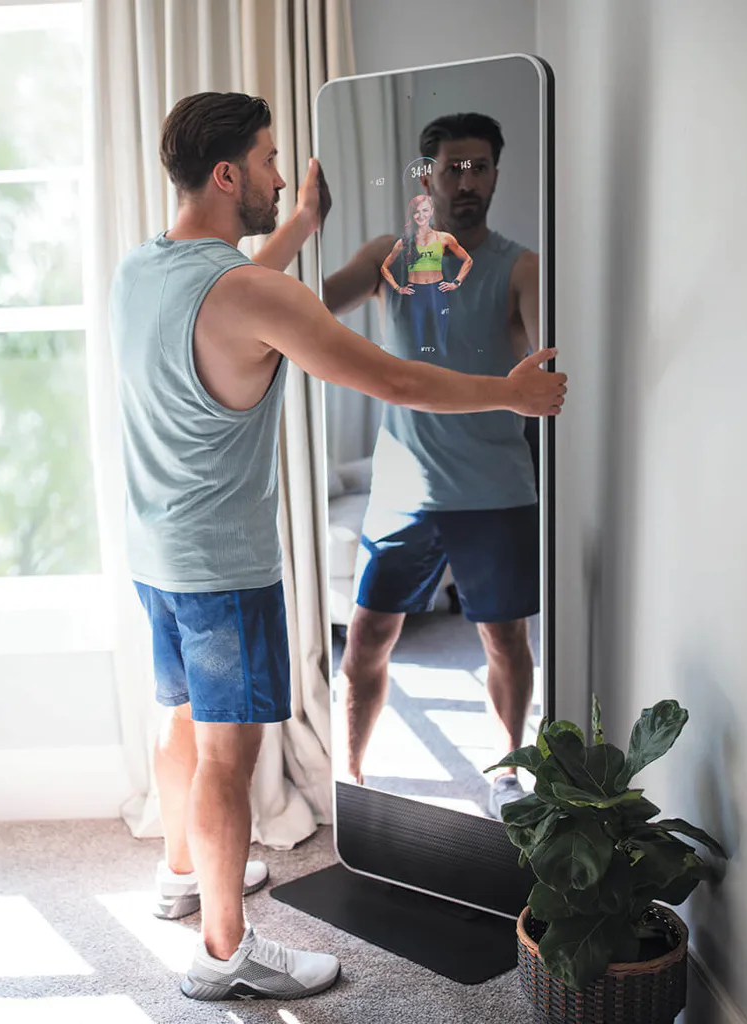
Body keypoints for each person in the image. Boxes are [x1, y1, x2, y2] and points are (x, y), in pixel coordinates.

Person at [111, 94, 565, 1002]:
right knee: (229, 756)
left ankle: (181, 874)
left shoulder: (143, 269)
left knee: (179, 718)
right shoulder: (253, 292)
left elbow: (232, 296)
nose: (282, 178)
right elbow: (393, 378)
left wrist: (301, 229)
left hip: (156, 551)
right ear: (229, 174)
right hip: (224, 568)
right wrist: (510, 395)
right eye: (269, 161)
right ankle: (224, 955)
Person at [320, 112, 545, 819]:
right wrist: (303, 229)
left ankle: (507, 774)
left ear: (497, 175)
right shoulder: (389, 257)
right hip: (402, 489)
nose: (467, 181)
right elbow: (310, 310)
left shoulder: (521, 268)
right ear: (426, 176)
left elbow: (549, 362)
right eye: (453, 168)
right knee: (366, 641)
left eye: (480, 167)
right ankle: (352, 776)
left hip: (495, 488)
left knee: (504, 640)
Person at [379, 194, 475, 357]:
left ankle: (441, 371)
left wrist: (456, 282)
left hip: (437, 292)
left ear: (431, 212)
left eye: (425, 210)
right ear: (412, 215)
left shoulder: (444, 238)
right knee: (416, 344)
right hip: (415, 294)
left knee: (441, 343)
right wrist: (398, 288)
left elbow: (468, 260)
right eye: (417, 212)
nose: (421, 215)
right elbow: (384, 267)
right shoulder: (405, 242)